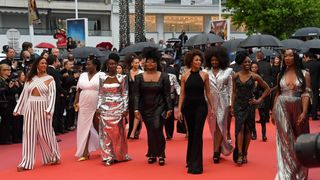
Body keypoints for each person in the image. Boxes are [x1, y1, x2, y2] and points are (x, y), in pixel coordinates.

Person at [13, 57, 61, 171]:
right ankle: (26, 163)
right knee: (28, 133)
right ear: (37, 65)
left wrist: (49, 110)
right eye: (42, 63)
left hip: (44, 107)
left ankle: (54, 155)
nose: (44, 65)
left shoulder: (50, 79)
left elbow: (52, 96)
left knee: (45, 133)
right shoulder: (30, 78)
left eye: (45, 63)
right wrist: (18, 108)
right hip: (30, 106)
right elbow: (24, 94)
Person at [272, 49, 311, 179]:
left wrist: (305, 112)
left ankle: (300, 171)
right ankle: (286, 172)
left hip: (298, 107)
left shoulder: (305, 74)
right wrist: (273, 111)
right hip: (281, 107)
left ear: (295, 57)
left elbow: (306, 93)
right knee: (285, 140)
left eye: (290, 55)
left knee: (299, 139)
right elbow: (278, 93)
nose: (287, 58)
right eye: (285, 56)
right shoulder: (280, 74)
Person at [134, 47, 172, 166]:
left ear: (157, 63)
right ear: (145, 63)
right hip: (145, 108)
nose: (151, 64)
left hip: (159, 106)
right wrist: (136, 109)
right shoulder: (138, 77)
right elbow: (136, 95)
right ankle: (151, 153)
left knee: (157, 127)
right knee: (150, 130)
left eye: (153, 61)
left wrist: (169, 108)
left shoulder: (164, 76)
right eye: (148, 61)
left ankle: (161, 154)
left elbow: (167, 94)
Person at [178, 49, 214, 174]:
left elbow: (208, 92)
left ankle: (196, 165)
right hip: (188, 107)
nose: (198, 62)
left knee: (198, 133)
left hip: (201, 106)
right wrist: (179, 110)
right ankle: (189, 160)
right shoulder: (184, 75)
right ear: (191, 61)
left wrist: (212, 106)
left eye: (200, 60)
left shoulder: (204, 75)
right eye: (196, 60)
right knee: (192, 133)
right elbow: (182, 94)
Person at [231, 51, 270, 166]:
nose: (248, 63)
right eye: (245, 62)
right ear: (240, 63)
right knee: (239, 129)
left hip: (249, 105)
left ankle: (245, 153)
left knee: (248, 128)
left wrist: (258, 100)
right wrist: (232, 107)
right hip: (238, 105)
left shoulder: (254, 76)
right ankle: (239, 154)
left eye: (249, 61)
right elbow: (233, 93)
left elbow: (267, 89)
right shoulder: (235, 76)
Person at [97, 53, 130, 166]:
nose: (112, 66)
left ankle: (120, 155)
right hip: (105, 108)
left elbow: (125, 93)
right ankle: (107, 156)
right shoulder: (102, 77)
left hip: (118, 107)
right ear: (107, 64)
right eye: (110, 64)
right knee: (105, 133)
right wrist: (98, 107)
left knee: (118, 133)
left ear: (117, 65)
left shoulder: (123, 78)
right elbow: (100, 93)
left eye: (115, 64)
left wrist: (125, 108)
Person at [204, 46, 234, 164]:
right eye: (212, 60)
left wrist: (231, 104)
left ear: (221, 59)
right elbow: (204, 90)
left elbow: (231, 89)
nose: (214, 62)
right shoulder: (205, 72)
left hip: (224, 101)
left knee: (220, 125)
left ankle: (216, 152)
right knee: (213, 128)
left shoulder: (228, 71)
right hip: (210, 102)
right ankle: (221, 147)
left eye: (216, 60)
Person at [74, 55, 102, 161]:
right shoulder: (83, 75)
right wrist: (76, 102)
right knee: (84, 127)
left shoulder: (101, 75)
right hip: (84, 104)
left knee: (98, 126)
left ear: (95, 65)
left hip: (96, 104)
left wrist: (100, 106)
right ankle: (85, 152)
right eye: (86, 64)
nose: (86, 66)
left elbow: (103, 91)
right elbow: (79, 90)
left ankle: (106, 148)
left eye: (89, 64)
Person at [125, 53, 143, 139]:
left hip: (139, 96)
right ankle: (132, 130)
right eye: (135, 63)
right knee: (131, 114)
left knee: (137, 113)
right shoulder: (128, 73)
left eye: (138, 62)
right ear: (131, 63)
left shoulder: (142, 73)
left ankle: (134, 131)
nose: (137, 64)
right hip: (130, 96)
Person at [250, 62, 268, 141]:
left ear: (258, 68)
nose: (254, 69)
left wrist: (261, 98)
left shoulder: (261, 77)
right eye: (252, 67)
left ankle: (264, 135)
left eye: (255, 67)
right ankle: (254, 134)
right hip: (251, 98)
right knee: (252, 117)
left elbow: (266, 89)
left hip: (260, 98)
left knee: (263, 117)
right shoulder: (248, 77)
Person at [303, 51, 320, 120]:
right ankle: (314, 115)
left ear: (307, 57)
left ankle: (306, 114)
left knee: (306, 97)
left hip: (306, 84)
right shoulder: (318, 64)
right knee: (315, 99)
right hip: (315, 83)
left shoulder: (303, 64)